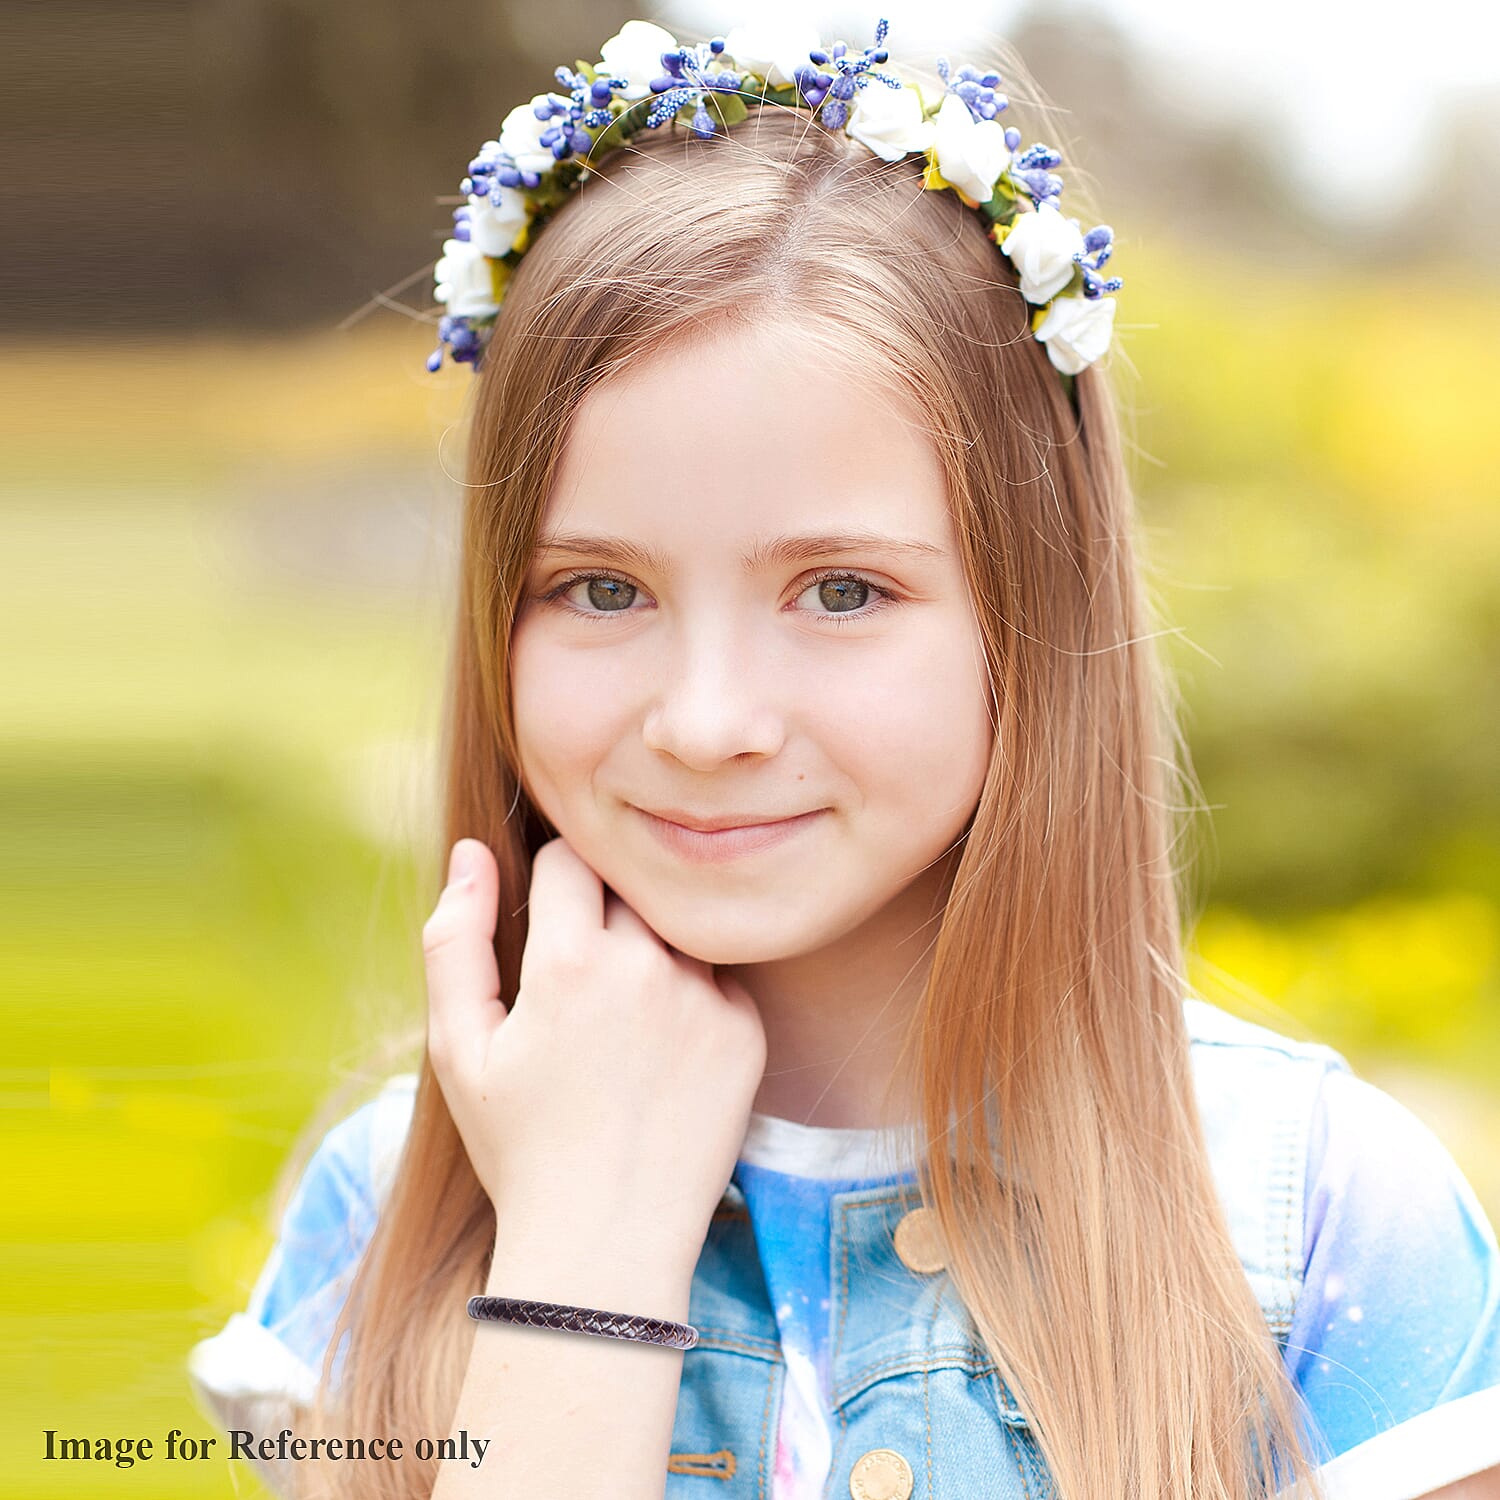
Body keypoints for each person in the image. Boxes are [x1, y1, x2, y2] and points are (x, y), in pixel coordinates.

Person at [187, 17, 1500, 1500]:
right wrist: (580, 1254)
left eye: (842, 593)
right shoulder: (384, 1222)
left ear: (1030, 607)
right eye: (601, 590)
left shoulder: (1314, 1217)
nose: (705, 720)